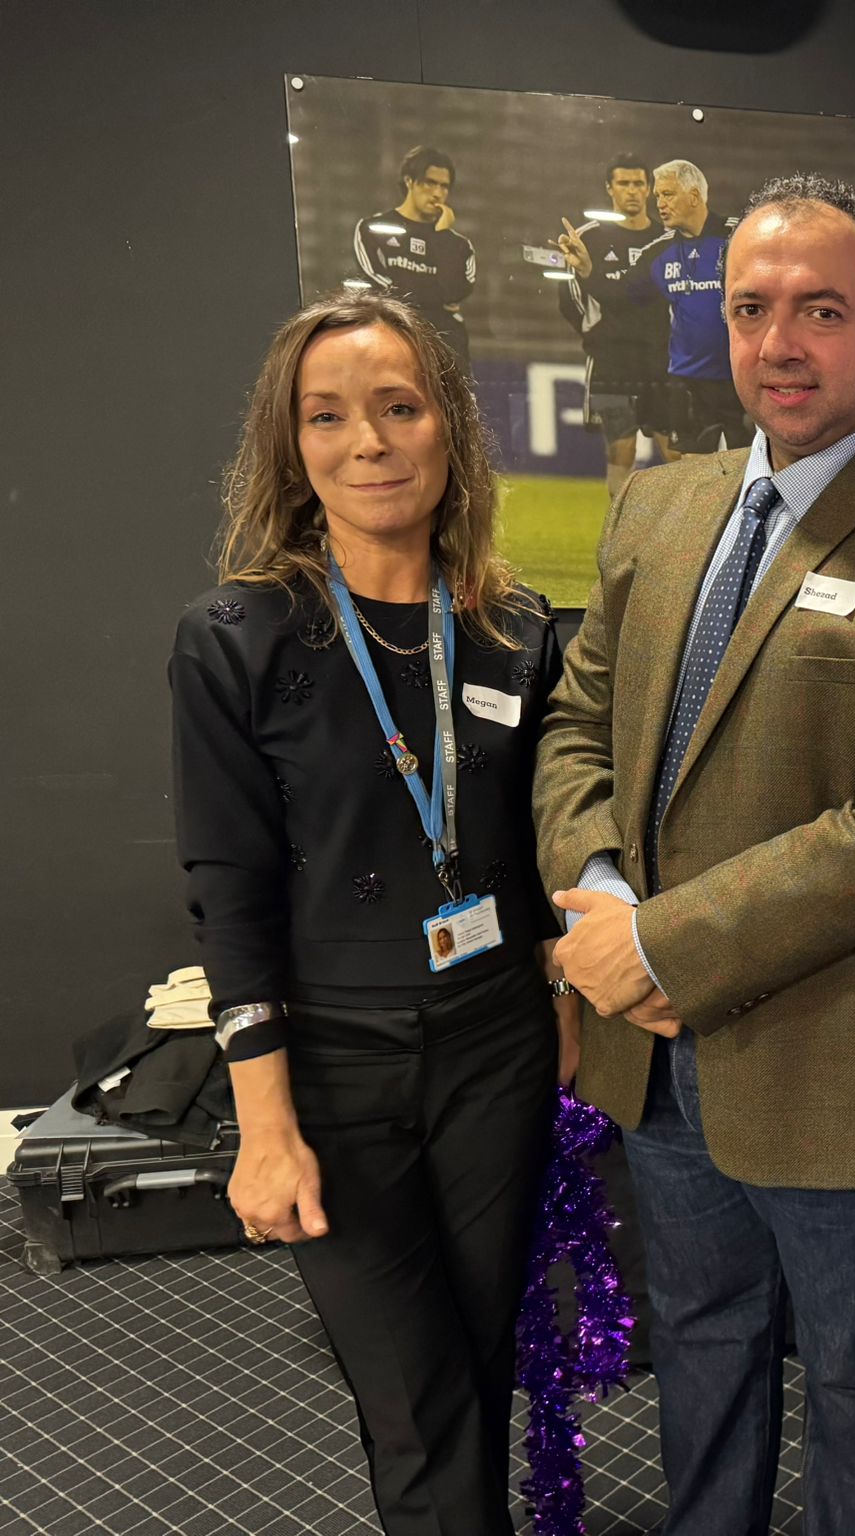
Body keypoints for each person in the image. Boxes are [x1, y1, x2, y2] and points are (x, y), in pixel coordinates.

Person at [535, 173, 855, 1535]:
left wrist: (657, 947)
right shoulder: (655, 506)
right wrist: (595, 894)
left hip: (836, 1075)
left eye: (820, 310)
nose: (779, 343)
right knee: (698, 1347)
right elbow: (580, 720)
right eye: (752, 309)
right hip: (659, 1058)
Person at [170, 291, 576, 1533]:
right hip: (334, 1070)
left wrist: (565, 1016)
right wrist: (264, 1129)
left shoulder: (516, 633)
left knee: (480, 1362)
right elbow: (228, 898)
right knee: (415, 1394)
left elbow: (547, 852)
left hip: (496, 1054)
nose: (369, 442)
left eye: (399, 408)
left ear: (448, 427)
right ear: (291, 448)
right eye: (328, 416)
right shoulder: (236, 639)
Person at [554, 153, 671, 504]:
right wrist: (601, 334)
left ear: (649, 189)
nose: (632, 191)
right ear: (610, 188)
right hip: (612, 363)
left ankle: (681, 535)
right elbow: (570, 298)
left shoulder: (668, 237)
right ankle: (623, 539)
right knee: (621, 450)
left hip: (663, 361)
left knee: (675, 451)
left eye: (639, 183)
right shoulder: (588, 237)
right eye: (624, 183)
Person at [612, 158, 748, 458]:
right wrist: (586, 272)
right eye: (658, 195)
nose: (659, 203)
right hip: (688, 383)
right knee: (691, 472)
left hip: (740, 379)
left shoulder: (740, 237)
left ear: (694, 196)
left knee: (749, 468)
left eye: (668, 194)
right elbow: (620, 298)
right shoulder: (658, 252)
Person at [352, 144, 479, 373]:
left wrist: (441, 236)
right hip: (391, 344)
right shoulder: (372, 229)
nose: (438, 193)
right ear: (410, 181)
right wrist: (434, 299)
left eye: (444, 186)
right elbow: (380, 288)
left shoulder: (459, 246)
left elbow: (454, 292)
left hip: (447, 356)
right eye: (430, 183)